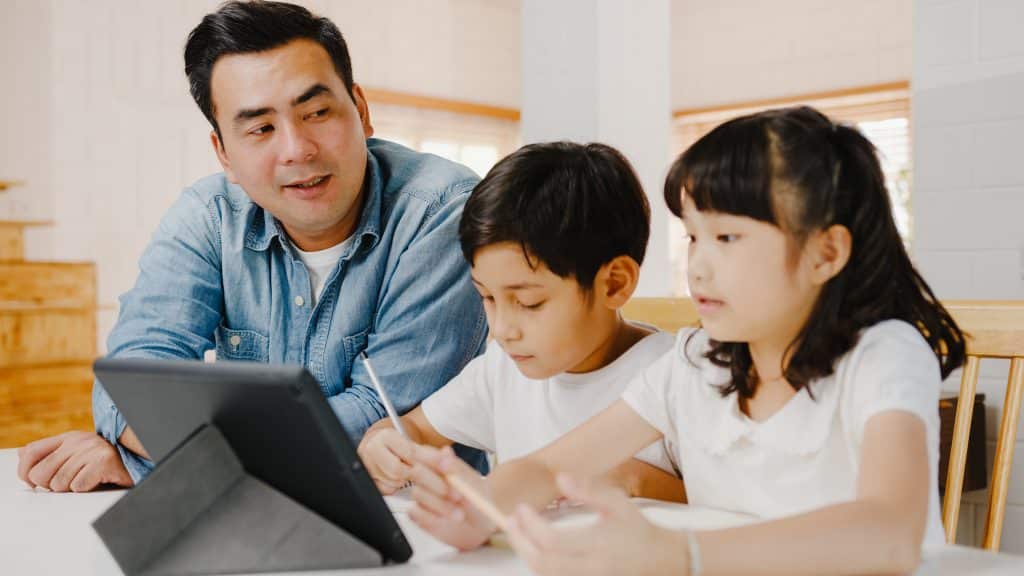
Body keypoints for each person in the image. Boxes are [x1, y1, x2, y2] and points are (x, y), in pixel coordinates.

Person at [405, 106, 966, 575]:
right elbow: (549, 468)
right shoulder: (696, 363)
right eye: (693, 235)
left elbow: (890, 532)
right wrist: (479, 507)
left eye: (727, 236)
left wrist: (682, 553)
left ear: (826, 253)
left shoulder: (883, 354)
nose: (697, 266)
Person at [16, 0, 487, 493]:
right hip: (249, 523)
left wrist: (151, 461)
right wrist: (164, 439)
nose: (297, 149)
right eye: (261, 128)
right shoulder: (208, 217)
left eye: (317, 112)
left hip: (425, 525)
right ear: (224, 152)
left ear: (361, 111)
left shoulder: (442, 211)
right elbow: (135, 383)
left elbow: (378, 415)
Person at [357, 142, 685, 502]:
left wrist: (632, 480)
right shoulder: (504, 370)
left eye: (529, 303)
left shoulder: (677, 378)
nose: (502, 330)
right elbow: (414, 429)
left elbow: (727, 508)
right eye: (488, 297)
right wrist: (382, 443)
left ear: (615, 283)